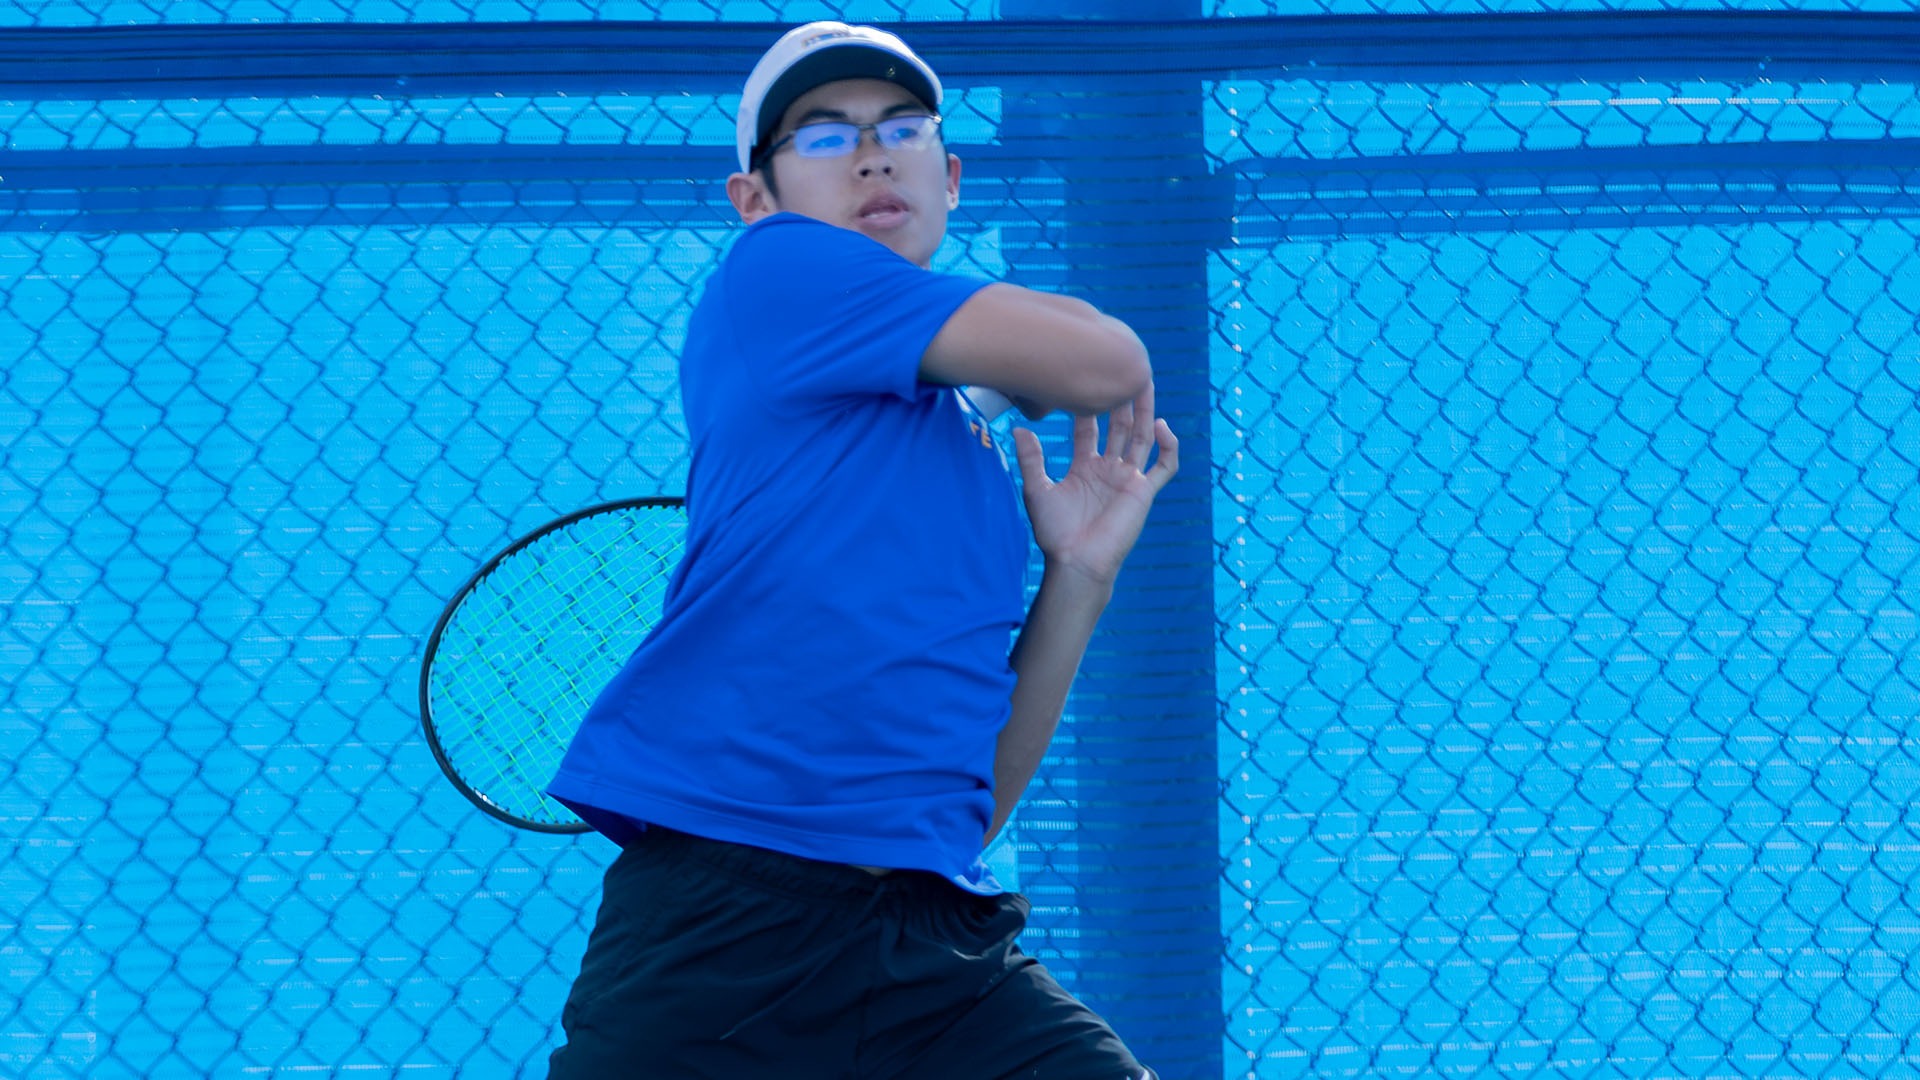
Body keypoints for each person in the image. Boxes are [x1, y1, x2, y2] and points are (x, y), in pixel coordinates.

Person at [545, 20, 1177, 1080]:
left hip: (931, 948)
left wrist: (1079, 574)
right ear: (756, 197)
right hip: (729, 932)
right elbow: (1105, 359)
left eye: (903, 128)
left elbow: (960, 807)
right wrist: (1033, 367)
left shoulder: (969, 455)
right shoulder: (777, 268)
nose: (875, 155)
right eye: (825, 136)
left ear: (952, 176)